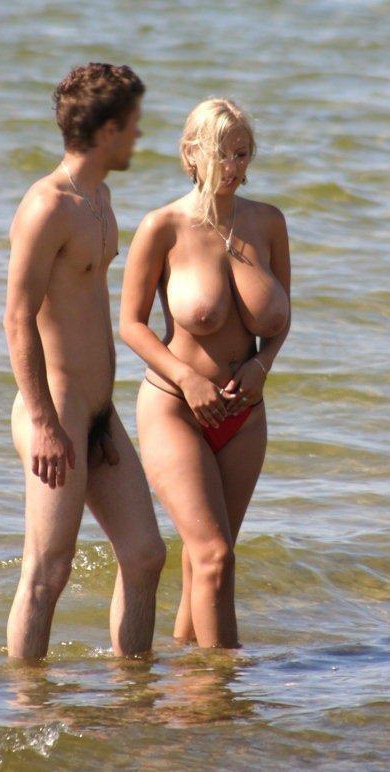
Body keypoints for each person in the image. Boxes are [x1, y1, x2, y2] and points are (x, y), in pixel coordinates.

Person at [4, 63, 165, 660]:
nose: (139, 136)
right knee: (48, 570)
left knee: (145, 555)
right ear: (108, 129)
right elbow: (16, 318)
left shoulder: (99, 196)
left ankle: (131, 696)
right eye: (133, 124)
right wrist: (45, 423)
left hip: (98, 410)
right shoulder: (46, 206)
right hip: (56, 407)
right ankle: (28, 705)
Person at [120, 98, 290, 649]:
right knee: (215, 556)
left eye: (243, 153)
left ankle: (188, 684)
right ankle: (225, 690)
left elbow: (282, 319)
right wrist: (188, 379)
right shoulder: (162, 226)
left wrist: (263, 364)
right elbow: (131, 325)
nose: (234, 166)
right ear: (191, 153)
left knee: (208, 562)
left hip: (245, 414)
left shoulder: (268, 223)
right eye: (223, 153)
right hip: (176, 409)